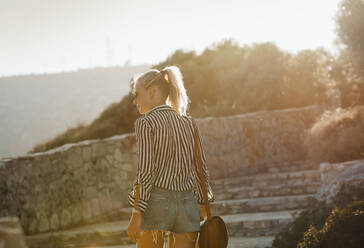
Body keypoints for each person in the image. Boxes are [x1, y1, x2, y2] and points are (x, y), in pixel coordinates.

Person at [127, 66, 214, 248]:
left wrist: (137, 212)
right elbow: (200, 168)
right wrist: (203, 201)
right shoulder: (188, 123)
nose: (134, 101)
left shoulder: (146, 123)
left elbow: (146, 171)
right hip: (187, 205)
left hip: (157, 205)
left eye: (136, 94)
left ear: (152, 92)